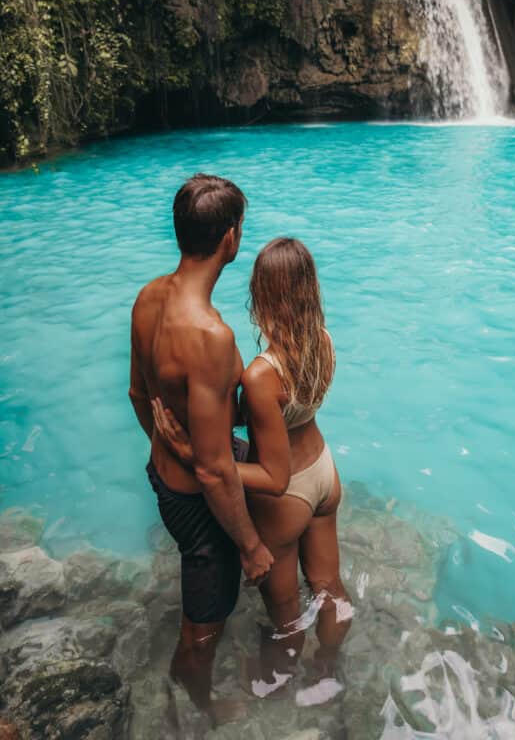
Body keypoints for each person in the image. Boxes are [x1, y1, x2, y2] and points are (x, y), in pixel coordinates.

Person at [152, 237, 352, 697]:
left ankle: (273, 683)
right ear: (310, 288)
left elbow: (273, 476)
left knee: (285, 615)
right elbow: (291, 412)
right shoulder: (323, 342)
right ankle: (328, 666)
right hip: (324, 472)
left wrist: (198, 456)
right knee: (328, 586)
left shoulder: (263, 375)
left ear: (261, 294)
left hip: (287, 496)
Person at [129, 174, 273, 724]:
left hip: (163, 478)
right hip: (198, 503)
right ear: (230, 238)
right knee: (205, 619)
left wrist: (167, 449)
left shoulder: (149, 297)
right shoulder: (210, 336)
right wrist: (252, 545)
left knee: (202, 597)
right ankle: (198, 698)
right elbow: (216, 471)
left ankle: (190, 677)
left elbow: (139, 394)